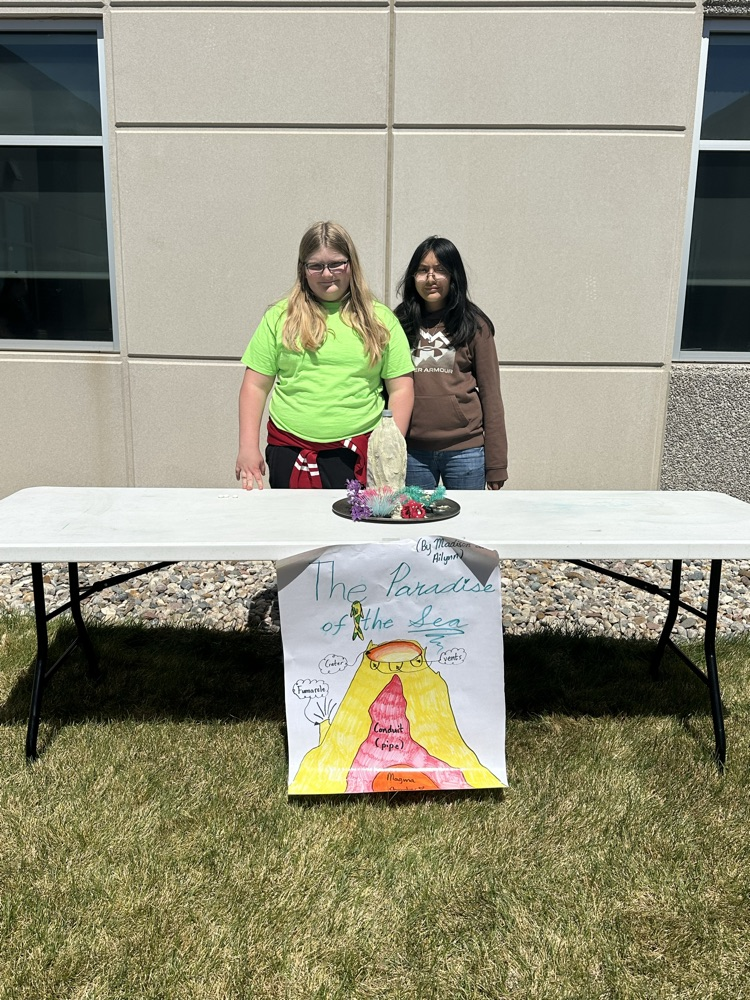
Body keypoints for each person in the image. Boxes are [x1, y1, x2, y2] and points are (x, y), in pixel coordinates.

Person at [236, 222, 414, 489]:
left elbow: (401, 388)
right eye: (316, 265)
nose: (327, 273)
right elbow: (255, 385)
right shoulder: (280, 317)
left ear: (351, 264)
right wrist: (248, 447)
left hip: (358, 454)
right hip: (290, 450)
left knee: (353, 531)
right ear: (303, 269)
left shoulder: (380, 320)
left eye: (336, 264)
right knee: (292, 530)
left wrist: (388, 448)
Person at [394, 236, 508, 490]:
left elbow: (491, 396)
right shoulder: (398, 323)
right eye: (423, 270)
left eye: (440, 270)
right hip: (413, 453)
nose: (431, 278)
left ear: (454, 276)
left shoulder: (474, 325)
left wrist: (497, 463)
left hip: (465, 452)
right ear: (413, 277)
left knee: (466, 528)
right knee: (416, 526)